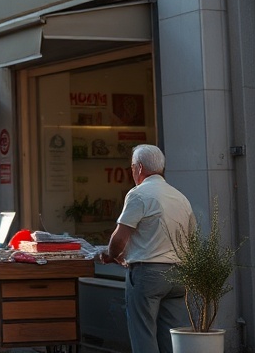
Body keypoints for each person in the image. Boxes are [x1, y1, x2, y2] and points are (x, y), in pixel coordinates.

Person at [101, 144, 195, 353]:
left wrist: (110, 255)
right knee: (171, 335)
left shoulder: (138, 194)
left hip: (148, 274)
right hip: (179, 274)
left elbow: (119, 238)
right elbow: (191, 238)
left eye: (132, 167)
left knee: (143, 333)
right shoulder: (180, 197)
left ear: (139, 168)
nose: (132, 171)